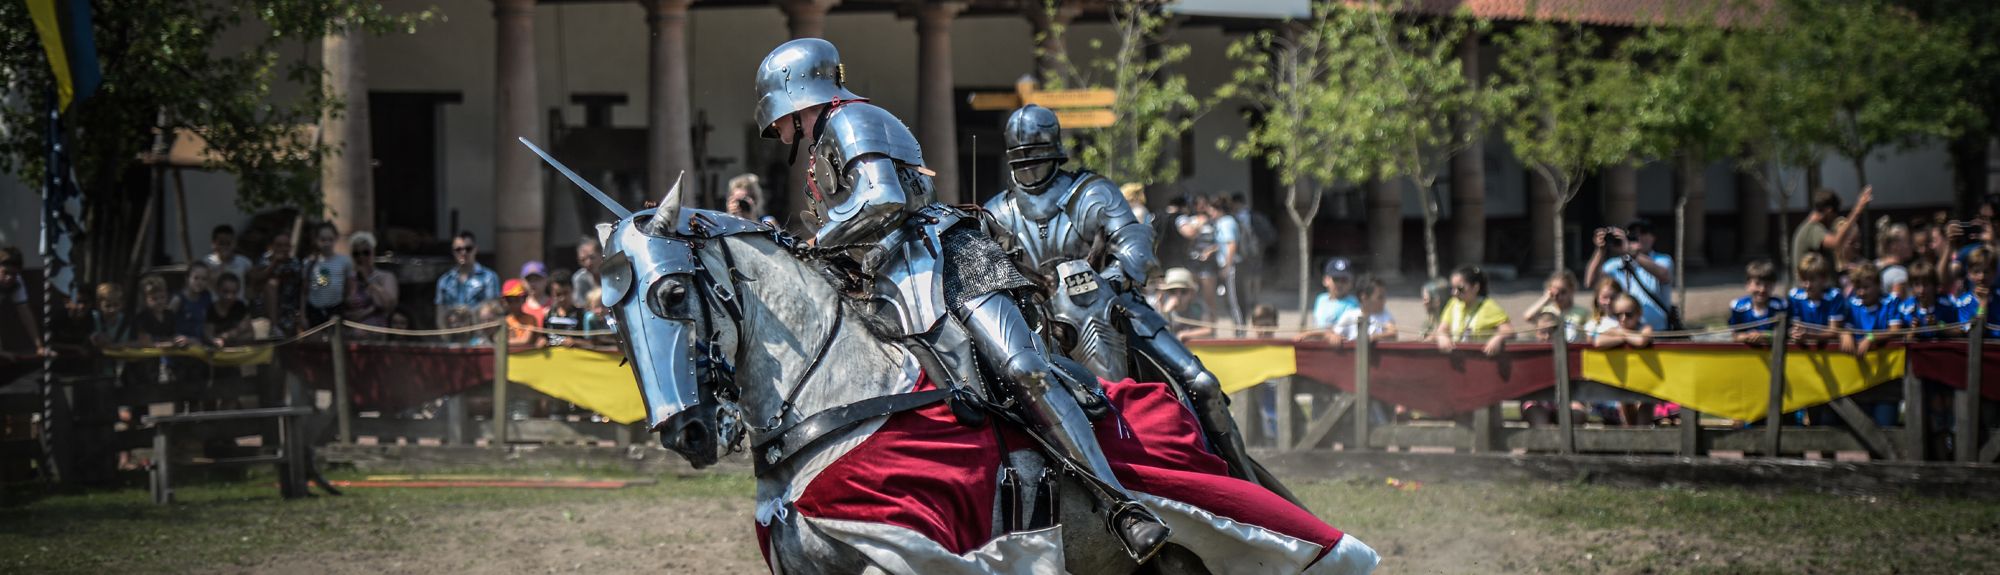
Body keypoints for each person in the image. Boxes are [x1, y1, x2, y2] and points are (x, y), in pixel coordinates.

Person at [754, 39, 1168, 560]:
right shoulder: (823, 143)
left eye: (781, 118)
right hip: (892, 277)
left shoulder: (851, 120)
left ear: (797, 95)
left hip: (952, 261)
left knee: (1022, 368)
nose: (779, 131)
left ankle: (1122, 506)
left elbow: (884, 197)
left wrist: (815, 243)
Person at [986, 103, 1286, 499]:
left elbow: (1134, 243)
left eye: (1037, 158)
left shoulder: (1092, 192)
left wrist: (1107, 279)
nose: (1029, 168)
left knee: (1202, 383)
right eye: (1022, 160)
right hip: (1035, 325)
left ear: (1055, 154)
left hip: (1113, 306)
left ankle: (1245, 483)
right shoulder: (995, 211)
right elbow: (987, 276)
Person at [1585, 219, 1675, 330]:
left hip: (1658, 333)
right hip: (1625, 333)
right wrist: (1600, 250)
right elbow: (1590, 282)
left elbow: (1663, 274)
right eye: (1633, 234)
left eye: (1643, 232)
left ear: (1653, 237)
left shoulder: (1662, 260)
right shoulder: (1615, 264)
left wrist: (1631, 251)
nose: (1638, 237)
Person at [1791, 186, 1873, 277]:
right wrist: (1857, 211)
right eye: (1834, 216)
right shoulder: (1812, 229)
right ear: (1829, 211)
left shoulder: (1812, 228)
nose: (1833, 220)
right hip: (1808, 288)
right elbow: (1835, 242)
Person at [1434, 265, 1513, 356]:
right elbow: (1442, 329)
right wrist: (1442, 337)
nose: (1454, 293)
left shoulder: (1489, 307)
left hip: (1481, 359)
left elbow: (1508, 330)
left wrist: (1497, 339)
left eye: (1460, 288)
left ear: (1476, 287)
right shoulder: (1453, 304)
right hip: (1457, 358)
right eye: (1452, 288)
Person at [435, 231, 501, 328]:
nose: (463, 252)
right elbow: (440, 314)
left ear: (475, 249)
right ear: (453, 252)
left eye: (468, 248)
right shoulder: (444, 281)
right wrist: (445, 336)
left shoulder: (489, 277)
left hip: (480, 335)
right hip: (453, 334)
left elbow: (492, 311)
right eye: (458, 249)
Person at [342, 231, 399, 331]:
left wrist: (368, 280)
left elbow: (388, 305)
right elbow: (346, 308)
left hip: (376, 330)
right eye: (356, 254)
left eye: (365, 253)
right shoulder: (350, 279)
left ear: (373, 252)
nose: (361, 257)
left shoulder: (385, 277)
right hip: (353, 332)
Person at [302, 222, 352, 329]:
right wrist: (302, 315)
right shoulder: (309, 263)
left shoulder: (345, 261)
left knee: (335, 341)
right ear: (316, 240)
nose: (327, 243)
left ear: (336, 239)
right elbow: (304, 291)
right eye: (323, 240)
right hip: (314, 308)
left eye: (330, 239)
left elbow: (349, 286)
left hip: (336, 308)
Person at [0, 247, 48, 357]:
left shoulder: (17, 281)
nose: (9, 278)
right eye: (5, 272)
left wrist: (39, 347)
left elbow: (25, 313)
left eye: (14, 274)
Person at [1788, 252, 1845, 343]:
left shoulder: (1834, 296)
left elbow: (1834, 331)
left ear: (1824, 279)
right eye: (1803, 279)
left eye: (1812, 280)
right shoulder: (1794, 296)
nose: (1807, 285)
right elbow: (1796, 327)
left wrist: (1809, 336)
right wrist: (1795, 333)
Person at [1520, 270, 1589, 343]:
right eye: (1555, 293)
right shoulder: (1546, 310)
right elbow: (1528, 317)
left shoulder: (1582, 312)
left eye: (1563, 292)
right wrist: (1546, 298)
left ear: (1572, 290)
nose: (1559, 296)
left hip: (1573, 350)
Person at [1730, 259, 1788, 345]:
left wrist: (1765, 335)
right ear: (1747, 285)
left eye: (1767, 285)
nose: (1762, 290)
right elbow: (1735, 336)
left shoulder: (1780, 306)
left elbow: (1787, 334)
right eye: (1757, 284)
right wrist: (1747, 337)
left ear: (1773, 286)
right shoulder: (1739, 307)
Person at [1328, 276, 1396, 345]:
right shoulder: (1350, 315)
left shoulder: (1384, 314)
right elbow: (1333, 333)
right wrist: (1334, 337)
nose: (1384, 301)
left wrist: (1373, 337)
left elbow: (1392, 333)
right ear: (1364, 297)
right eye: (1380, 297)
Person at [260, 232, 304, 336]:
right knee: (272, 283)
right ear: (272, 246)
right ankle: (274, 327)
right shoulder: (265, 260)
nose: (283, 249)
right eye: (279, 245)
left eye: (286, 245)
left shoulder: (295, 263)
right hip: (265, 308)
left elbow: (302, 286)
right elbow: (258, 278)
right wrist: (274, 263)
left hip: (289, 309)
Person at [1152, 268, 1213, 340]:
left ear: (1192, 293)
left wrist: (1185, 335)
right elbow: (1156, 333)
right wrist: (1166, 312)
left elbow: (1208, 330)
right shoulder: (1158, 308)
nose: (1178, 296)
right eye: (1172, 291)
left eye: (1184, 291)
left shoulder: (1198, 307)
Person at [1304, 258, 1358, 336]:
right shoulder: (1321, 299)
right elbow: (1317, 324)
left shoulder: (1353, 303)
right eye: (1335, 279)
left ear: (1351, 283)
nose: (1339, 284)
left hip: (1343, 345)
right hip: (1319, 342)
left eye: (1344, 280)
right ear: (1326, 280)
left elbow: (1344, 332)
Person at [206, 272, 252, 346]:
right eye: (225, 291)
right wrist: (216, 340)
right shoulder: (211, 309)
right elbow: (208, 335)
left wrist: (229, 337)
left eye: (234, 292)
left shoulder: (240, 307)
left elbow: (249, 333)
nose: (229, 296)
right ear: (217, 290)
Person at [543, 270, 583, 347]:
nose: (562, 298)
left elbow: (592, 343)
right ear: (551, 294)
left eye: (566, 293)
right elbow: (544, 338)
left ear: (572, 290)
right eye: (558, 294)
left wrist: (575, 342)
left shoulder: (581, 315)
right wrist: (542, 341)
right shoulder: (548, 315)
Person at [1877, 222, 1914, 297]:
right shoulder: (1899, 274)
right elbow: (1897, 304)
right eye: (1908, 241)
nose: (1911, 245)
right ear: (1895, 246)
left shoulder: (1876, 264)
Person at [90, 282, 131, 347]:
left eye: (116, 305)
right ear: (99, 305)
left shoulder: (125, 321)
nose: (112, 310)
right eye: (107, 306)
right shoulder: (93, 318)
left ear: (122, 304)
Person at [500, 278, 539, 346]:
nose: (513, 304)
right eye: (509, 300)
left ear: (523, 300)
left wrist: (503, 342)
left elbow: (525, 341)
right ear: (504, 302)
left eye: (516, 300)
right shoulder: (504, 321)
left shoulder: (530, 319)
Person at [518, 260, 553, 326]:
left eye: (537, 279)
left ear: (546, 280)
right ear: (522, 282)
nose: (533, 283)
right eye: (529, 280)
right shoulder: (519, 306)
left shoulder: (554, 305)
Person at [572, 236, 602, 310]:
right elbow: (581, 306)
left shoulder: (613, 274)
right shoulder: (580, 279)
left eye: (592, 257)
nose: (588, 263)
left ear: (601, 255)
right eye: (583, 260)